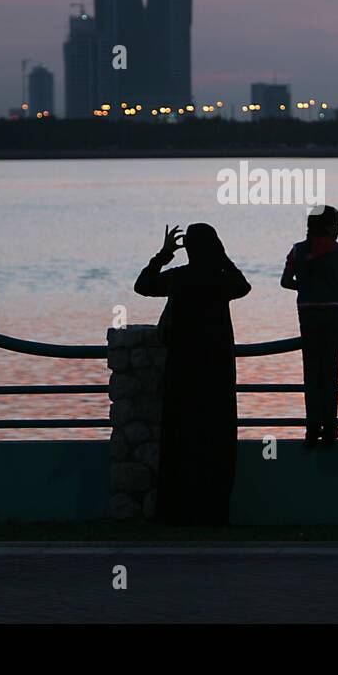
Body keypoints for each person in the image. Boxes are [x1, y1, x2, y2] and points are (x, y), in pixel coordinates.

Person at [134, 223, 251, 526]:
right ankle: (212, 509)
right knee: (215, 438)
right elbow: (244, 286)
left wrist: (163, 255)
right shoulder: (220, 280)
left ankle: (177, 509)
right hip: (216, 370)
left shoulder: (179, 278)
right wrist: (224, 258)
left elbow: (143, 285)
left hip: (182, 369)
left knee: (180, 437)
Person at [280, 205, 338, 446]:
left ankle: (312, 426)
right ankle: (330, 426)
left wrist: (307, 286)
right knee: (331, 372)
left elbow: (285, 281)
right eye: (337, 225)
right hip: (334, 316)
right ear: (330, 227)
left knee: (311, 372)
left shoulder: (297, 251)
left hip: (308, 315)